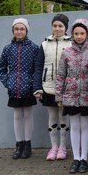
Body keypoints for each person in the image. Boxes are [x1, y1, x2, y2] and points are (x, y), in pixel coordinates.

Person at [55, 19, 88, 174]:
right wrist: (59, 96)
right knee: (75, 126)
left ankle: (84, 158)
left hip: (86, 96)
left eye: (82, 33)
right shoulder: (66, 53)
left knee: (85, 126)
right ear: (71, 34)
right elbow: (60, 76)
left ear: (87, 34)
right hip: (70, 95)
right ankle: (76, 158)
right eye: (76, 33)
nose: (79, 36)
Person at [0, 18, 40, 160]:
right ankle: (19, 145)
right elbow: (1, 69)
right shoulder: (7, 49)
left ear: (26, 30)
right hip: (14, 88)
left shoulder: (34, 48)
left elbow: (37, 69)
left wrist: (34, 85)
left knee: (28, 115)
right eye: (16, 29)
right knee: (17, 116)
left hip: (28, 88)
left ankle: (27, 145)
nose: (19, 31)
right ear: (13, 31)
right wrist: (7, 82)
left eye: (22, 29)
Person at [34, 14, 72, 161]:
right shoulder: (44, 45)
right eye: (55, 25)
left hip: (65, 88)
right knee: (52, 117)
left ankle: (63, 147)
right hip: (48, 87)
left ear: (65, 28)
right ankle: (53, 147)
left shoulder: (70, 44)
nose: (57, 29)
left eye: (60, 26)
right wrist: (37, 87)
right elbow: (38, 67)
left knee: (63, 117)